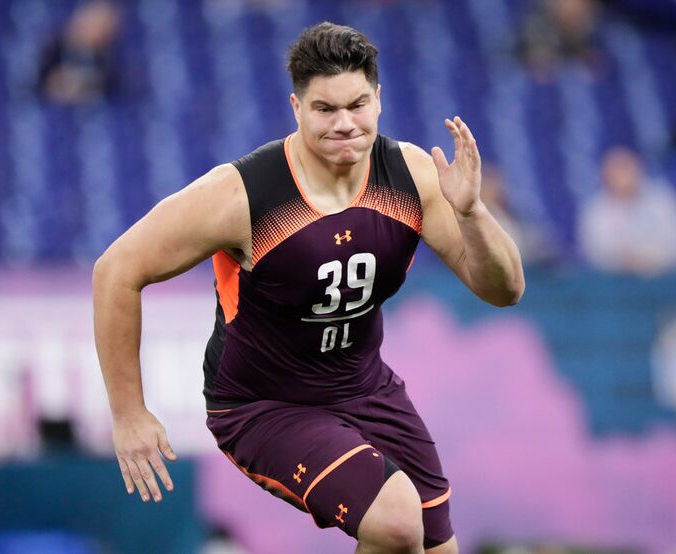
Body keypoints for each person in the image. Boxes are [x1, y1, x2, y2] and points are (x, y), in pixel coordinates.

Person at [93, 22, 524, 554]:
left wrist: (473, 212)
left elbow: (505, 291)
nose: (345, 123)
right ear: (295, 107)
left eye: (358, 104)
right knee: (395, 522)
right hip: (263, 405)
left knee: (434, 549)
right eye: (325, 109)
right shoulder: (241, 195)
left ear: (379, 100)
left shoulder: (413, 176)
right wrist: (128, 414)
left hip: (366, 389)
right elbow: (115, 272)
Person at [577, 146, 676, 276]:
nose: (622, 176)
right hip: (614, 281)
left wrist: (649, 259)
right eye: (616, 170)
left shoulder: (662, 199)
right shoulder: (595, 208)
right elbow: (592, 251)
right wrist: (622, 259)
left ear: (639, 169)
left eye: (626, 168)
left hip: (663, 277)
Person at [37, 0, 121, 105]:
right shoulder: (55, 51)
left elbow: (110, 92)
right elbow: (44, 87)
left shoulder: (109, 60)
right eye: (95, 21)